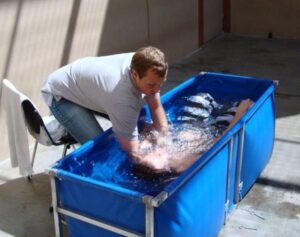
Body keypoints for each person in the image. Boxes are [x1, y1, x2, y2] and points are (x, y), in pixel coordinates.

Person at [41, 46, 169, 159]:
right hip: (60, 94)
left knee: (141, 125)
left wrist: (164, 136)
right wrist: (161, 162)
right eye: (152, 85)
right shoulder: (122, 97)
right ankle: (65, 124)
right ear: (135, 74)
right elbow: (132, 151)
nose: (157, 89)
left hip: (85, 86)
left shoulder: (144, 63)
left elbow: (155, 104)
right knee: (102, 151)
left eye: (160, 83)